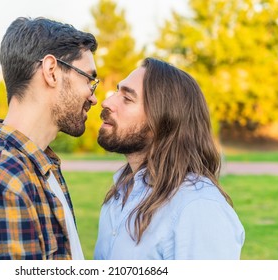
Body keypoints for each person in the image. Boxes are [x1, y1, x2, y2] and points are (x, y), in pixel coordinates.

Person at [0, 17, 99, 260]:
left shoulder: (38, 164)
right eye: (89, 79)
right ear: (51, 71)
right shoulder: (4, 178)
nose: (93, 97)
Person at [94, 58, 245, 260]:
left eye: (127, 98)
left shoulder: (198, 208)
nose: (106, 102)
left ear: (163, 120)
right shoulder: (119, 196)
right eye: (117, 92)